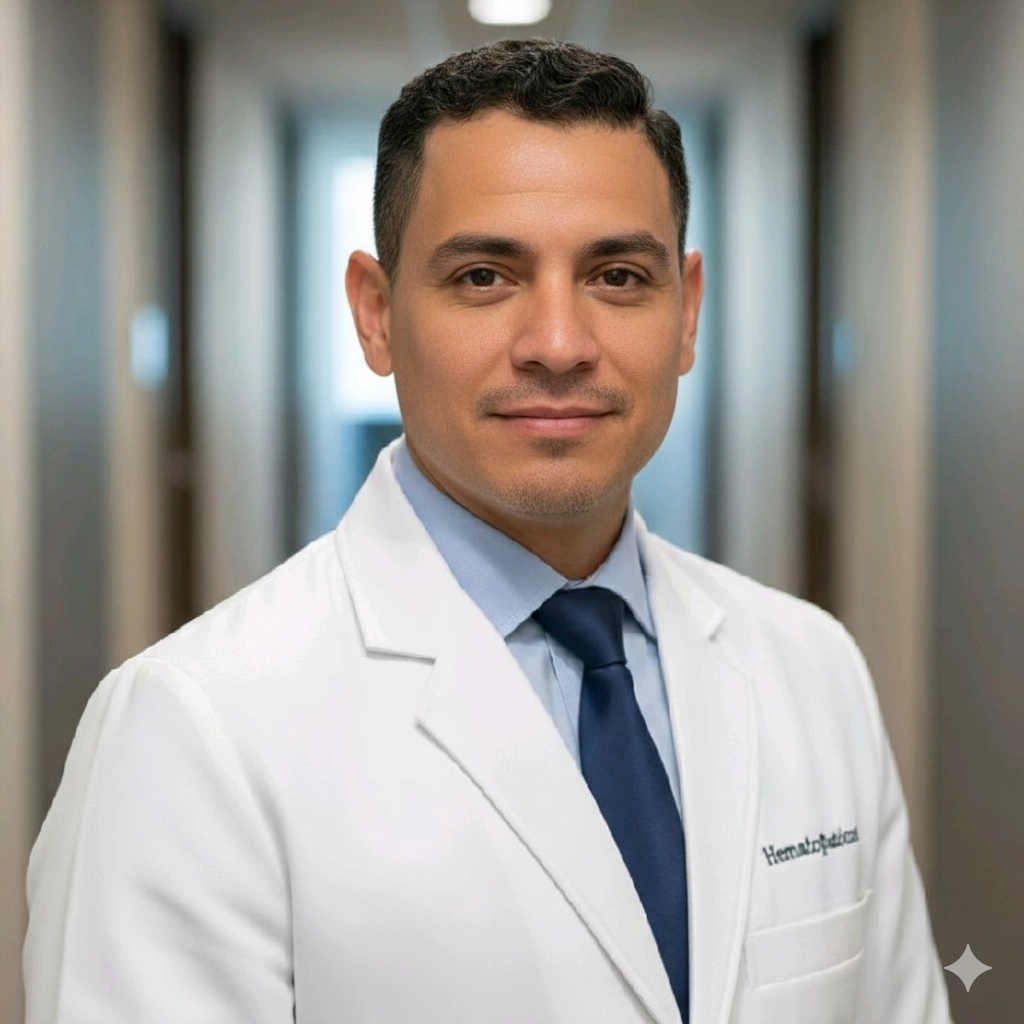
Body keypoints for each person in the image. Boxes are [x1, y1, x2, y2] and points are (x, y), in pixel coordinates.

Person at [24, 38, 951, 1024]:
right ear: (376, 315)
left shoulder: (813, 669)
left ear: (686, 313)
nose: (558, 345)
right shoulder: (190, 729)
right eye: (483, 277)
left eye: (616, 276)